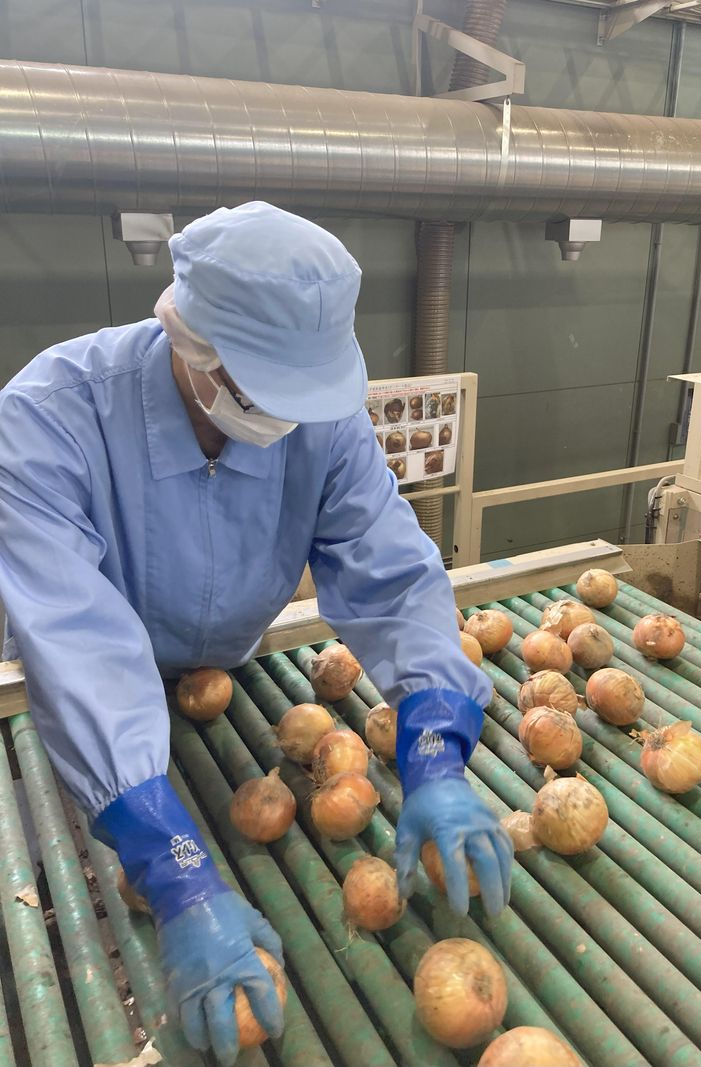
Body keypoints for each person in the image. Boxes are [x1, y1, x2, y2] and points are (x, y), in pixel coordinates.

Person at [0, 202, 512, 1065]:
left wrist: (433, 741)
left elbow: (389, 572)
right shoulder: (48, 418)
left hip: (222, 674)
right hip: (92, 709)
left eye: (299, 398)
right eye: (262, 393)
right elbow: (81, 648)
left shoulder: (323, 421)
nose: (284, 422)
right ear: (190, 345)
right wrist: (174, 871)